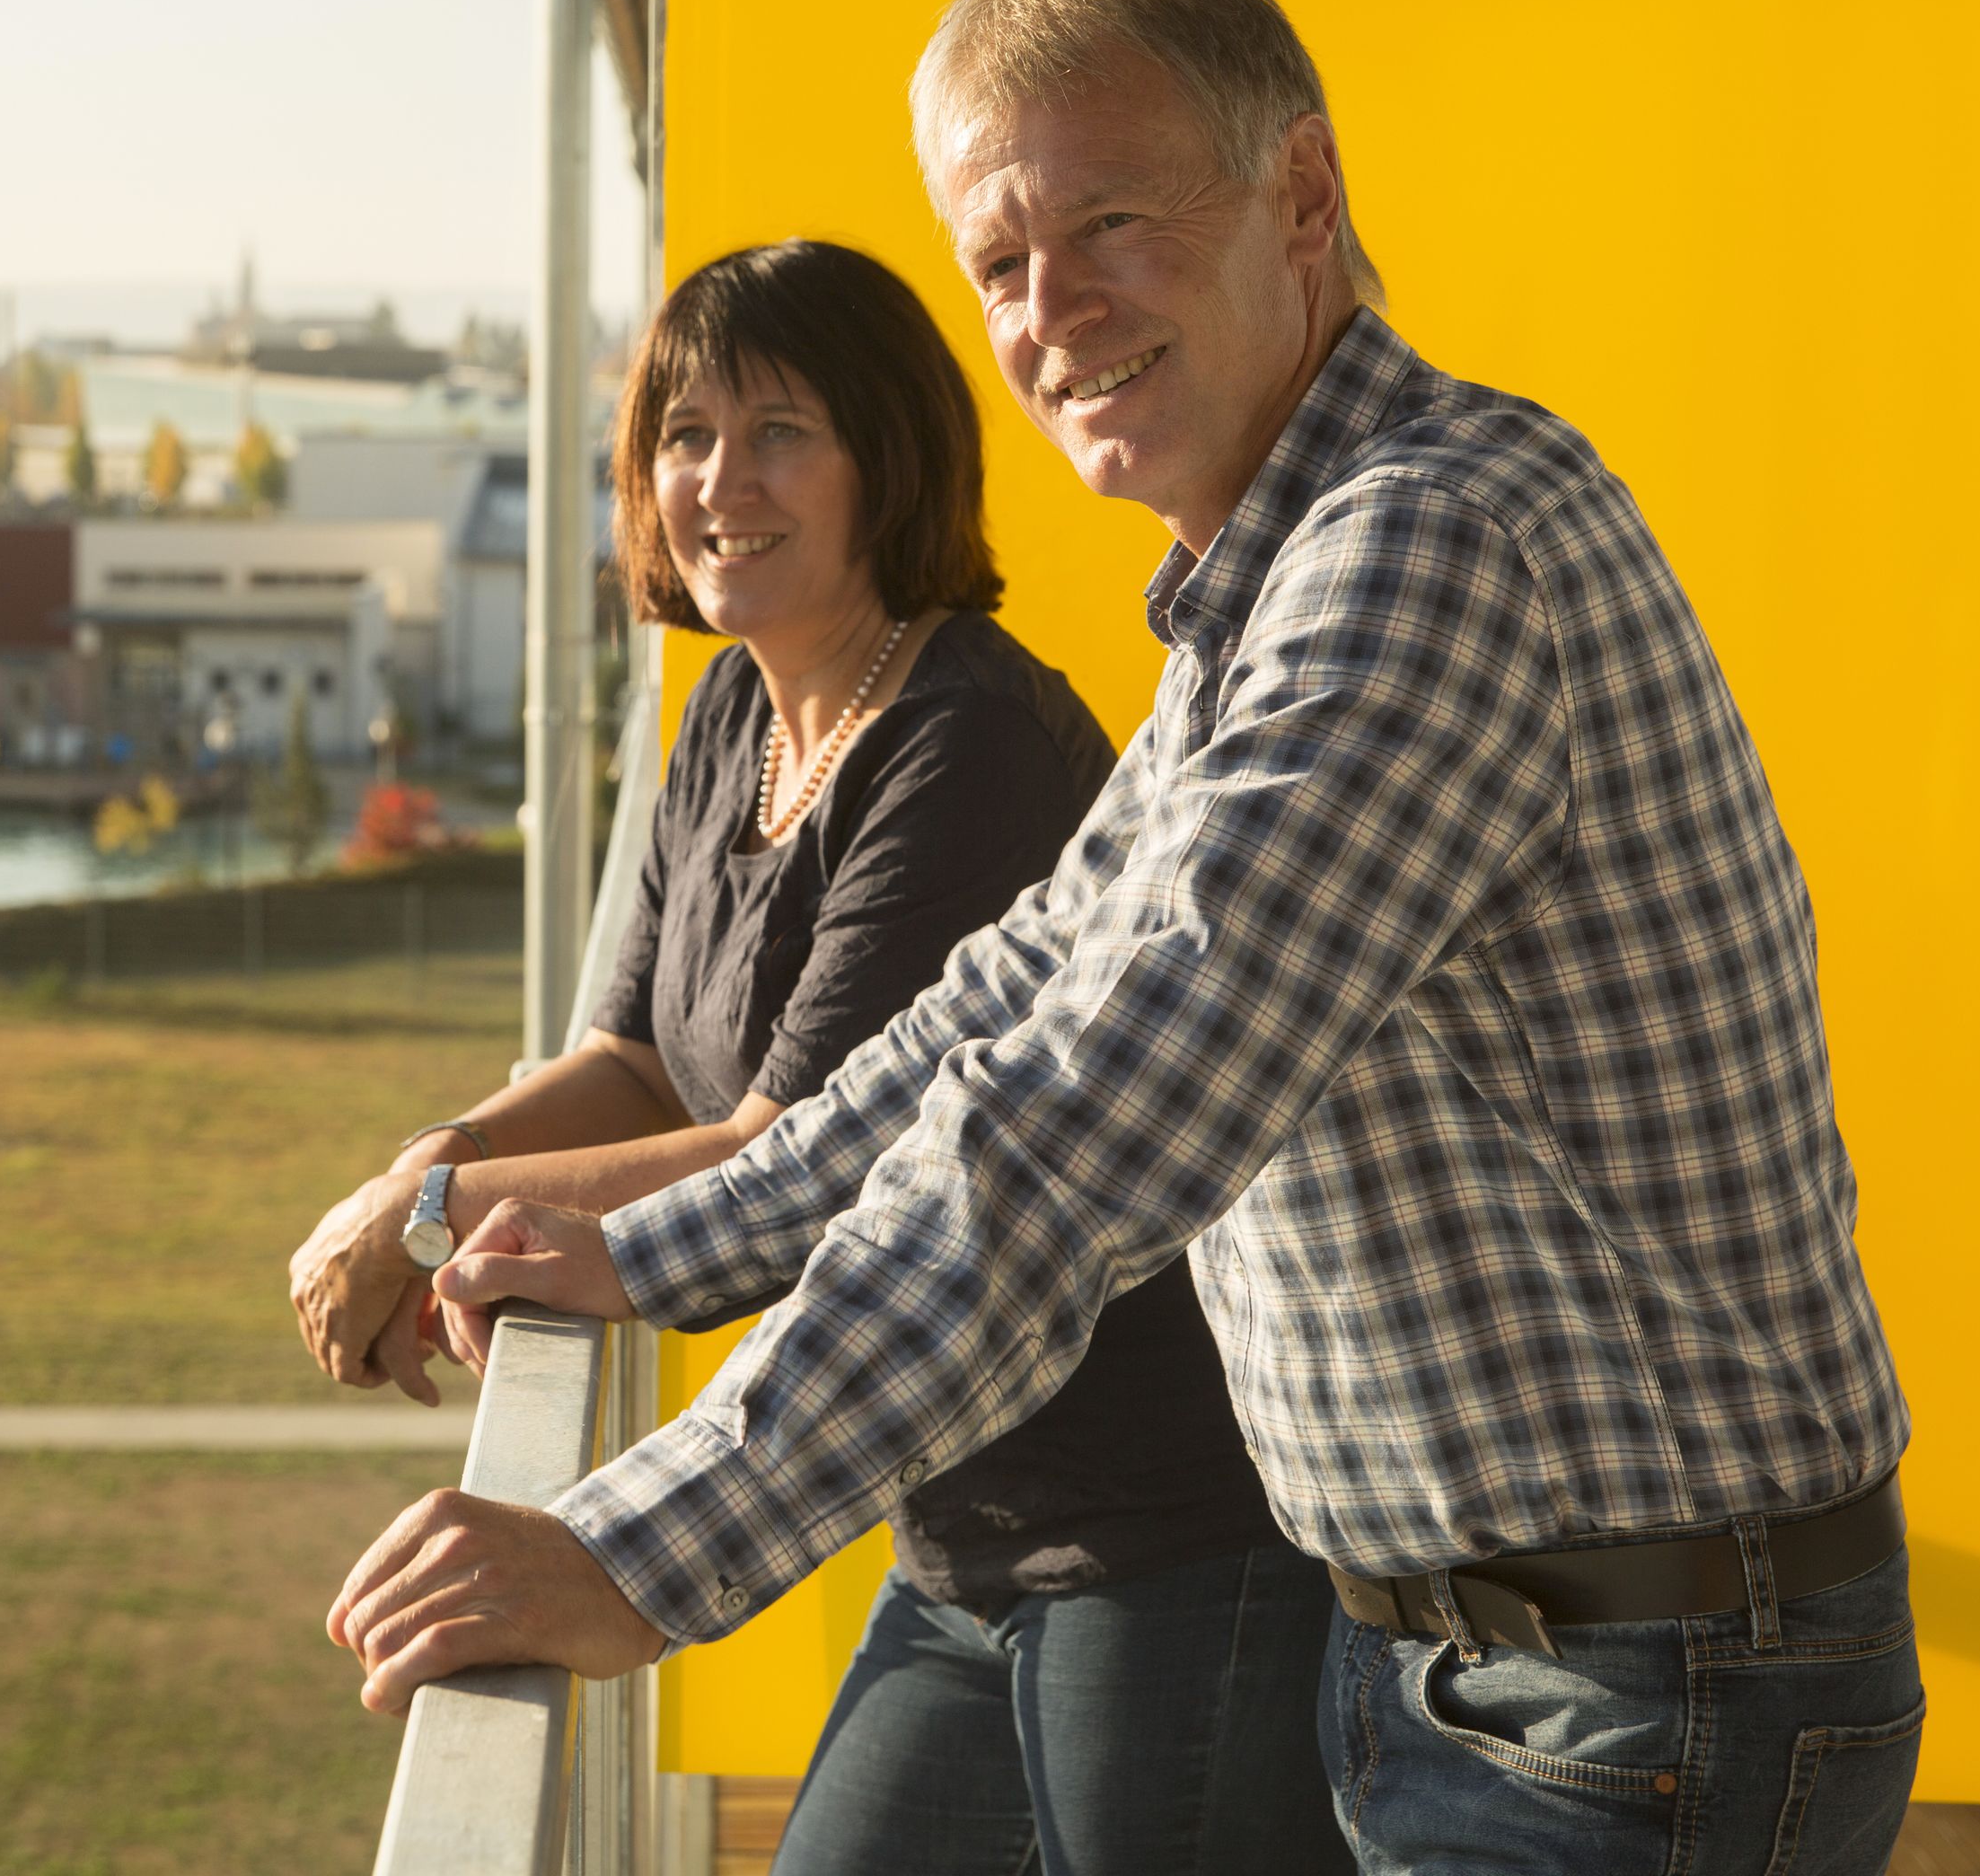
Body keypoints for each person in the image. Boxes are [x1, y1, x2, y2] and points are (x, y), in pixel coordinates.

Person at [329, 0, 1919, 1876]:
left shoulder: (1426, 552)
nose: (1052, 308)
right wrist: (645, 1253)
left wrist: (640, 1551)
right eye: (1002, 258)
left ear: (1301, 193)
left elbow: (1092, 1121)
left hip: (1635, 1692)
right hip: (1486, 1654)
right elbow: (1008, 1008)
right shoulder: (1266, 591)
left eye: (1111, 226)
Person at [288, 237, 1347, 1874]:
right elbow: (640, 1061)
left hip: (1165, 1544)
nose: (719, 481)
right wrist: (421, 1165)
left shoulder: (967, 737)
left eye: (781, 430)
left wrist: (426, 1215)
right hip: (949, 1518)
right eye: (683, 435)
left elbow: (792, 1149)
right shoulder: (728, 713)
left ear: (888, 459)